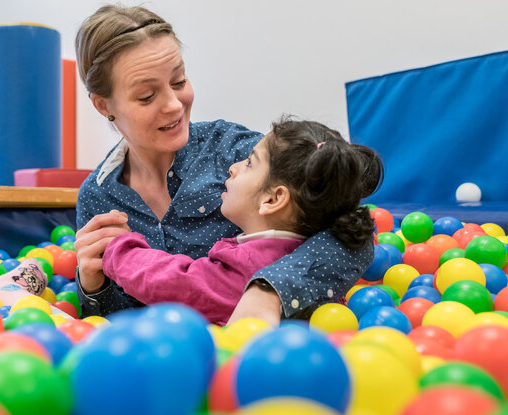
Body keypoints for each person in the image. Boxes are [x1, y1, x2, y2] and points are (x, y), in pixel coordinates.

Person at [73, 4, 380, 322]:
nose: (174, 105)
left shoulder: (238, 151)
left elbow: (352, 231)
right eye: (147, 96)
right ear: (103, 104)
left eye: (179, 81)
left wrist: (269, 290)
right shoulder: (98, 198)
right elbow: (108, 323)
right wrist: (93, 287)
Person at [98, 117, 383, 325]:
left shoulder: (250, 267)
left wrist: (119, 249)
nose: (233, 168)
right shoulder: (307, 244)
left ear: (273, 199)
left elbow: (178, 284)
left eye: (249, 163)